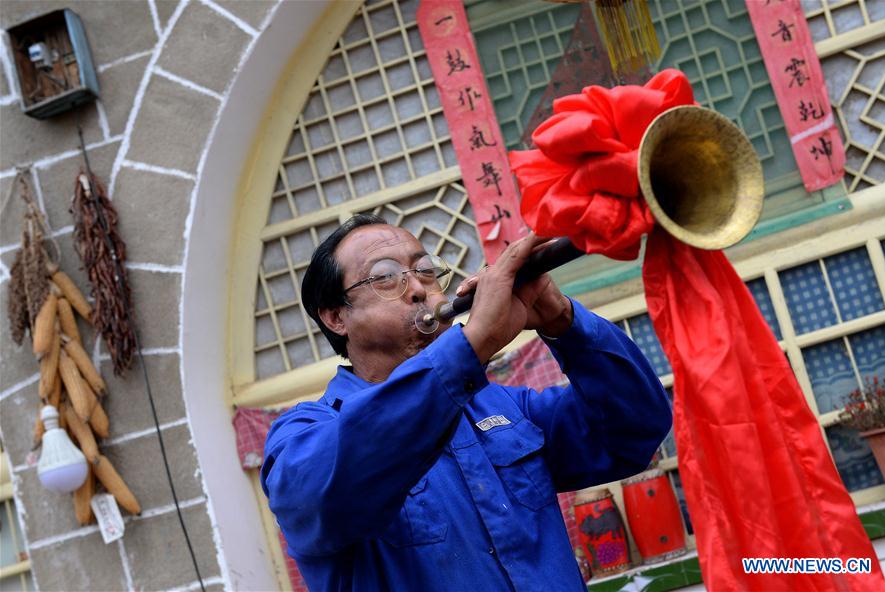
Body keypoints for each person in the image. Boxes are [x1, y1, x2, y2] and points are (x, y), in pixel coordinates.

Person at [261, 214, 672, 591]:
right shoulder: (303, 436)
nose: (420, 288)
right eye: (386, 277)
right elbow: (328, 490)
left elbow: (635, 431)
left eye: (425, 269)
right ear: (335, 317)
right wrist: (473, 344)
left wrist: (562, 319)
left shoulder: (501, 407)